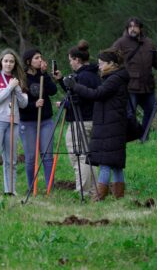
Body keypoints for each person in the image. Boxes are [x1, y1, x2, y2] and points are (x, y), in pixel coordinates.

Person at [64, 48, 129, 201]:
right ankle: (119, 196)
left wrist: (75, 86)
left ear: (111, 64)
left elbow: (96, 94)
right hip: (114, 124)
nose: (98, 66)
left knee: (106, 162)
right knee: (116, 163)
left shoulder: (114, 79)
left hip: (110, 125)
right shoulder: (115, 77)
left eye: (101, 64)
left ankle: (98, 197)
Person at [54, 40, 101, 196]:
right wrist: (61, 81)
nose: (70, 63)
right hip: (92, 119)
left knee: (79, 157)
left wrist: (64, 104)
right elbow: (75, 92)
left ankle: (83, 190)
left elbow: (79, 99)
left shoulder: (83, 77)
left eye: (70, 60)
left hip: (81, 121)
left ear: (77, 59)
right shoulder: (93, 74)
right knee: (88, 156)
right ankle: (94, 189)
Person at [112, 17, 157, 135]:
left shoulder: (149, 43)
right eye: (130, 27)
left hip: (148, 85)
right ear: (127, 28)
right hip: (130, 85)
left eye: (135, 26)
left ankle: (144, 136)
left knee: (151, 110)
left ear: (140, 28)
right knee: (129, 114)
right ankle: (130, 136)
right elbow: (110, 59)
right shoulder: (121, 43)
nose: (132, 29)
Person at [0, 48, 28, 197]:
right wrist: (9, 88)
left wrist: (17, 90)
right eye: (6, 61)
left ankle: (10, 189)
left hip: (13, 122)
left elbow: (24, 104)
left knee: (11, 158)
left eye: (11, 61)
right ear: (1, 62)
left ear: (15, 64)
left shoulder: (18, 80)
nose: (8, 64)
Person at [19, 48, 58, 191]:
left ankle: (50, 188)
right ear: (28, 61)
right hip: (28, 122)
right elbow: (19, 103)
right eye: (36, 58)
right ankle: (31, 187)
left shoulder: (42, 75)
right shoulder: (22, 78)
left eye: (41, 57)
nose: (40, 60)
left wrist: (44, 73)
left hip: (45, 121)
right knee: (30, 158)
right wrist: (33, 105)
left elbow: (53, 91)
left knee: (47, 156)